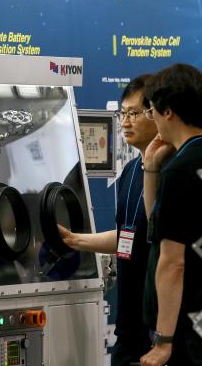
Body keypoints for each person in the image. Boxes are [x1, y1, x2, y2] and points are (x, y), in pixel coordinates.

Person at [58, 74, 158, 365]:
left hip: (157, 325)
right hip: (128, 324)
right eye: (122, 113)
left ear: (157, 114)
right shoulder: (129, 171)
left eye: (134, 114)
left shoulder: (169, 173)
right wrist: (75, 240)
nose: (125, 122)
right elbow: (127, 235)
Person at [139, 64, 202, 366]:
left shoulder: (182, 171)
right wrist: (152, 166)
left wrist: (163, 341)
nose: (150, 117)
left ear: (169, 112)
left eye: (152, 109)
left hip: (191, 332)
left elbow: (172, 262)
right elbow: (157, 224)